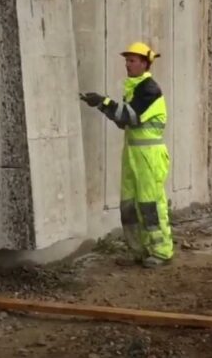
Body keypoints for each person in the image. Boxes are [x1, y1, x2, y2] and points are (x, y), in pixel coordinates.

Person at [80, 41, 174, 268]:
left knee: (151, 205)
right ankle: (140, 250)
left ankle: (162, 251)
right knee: (130, 206)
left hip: (149, 157)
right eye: (126, 60)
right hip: (133, 154)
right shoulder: (134, 88)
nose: (127, 64)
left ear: (145, 63)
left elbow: (129, 118)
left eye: (132, 60)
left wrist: (103, 102)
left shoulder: (149, 89)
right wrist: (103, 105)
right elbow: (124, 123)